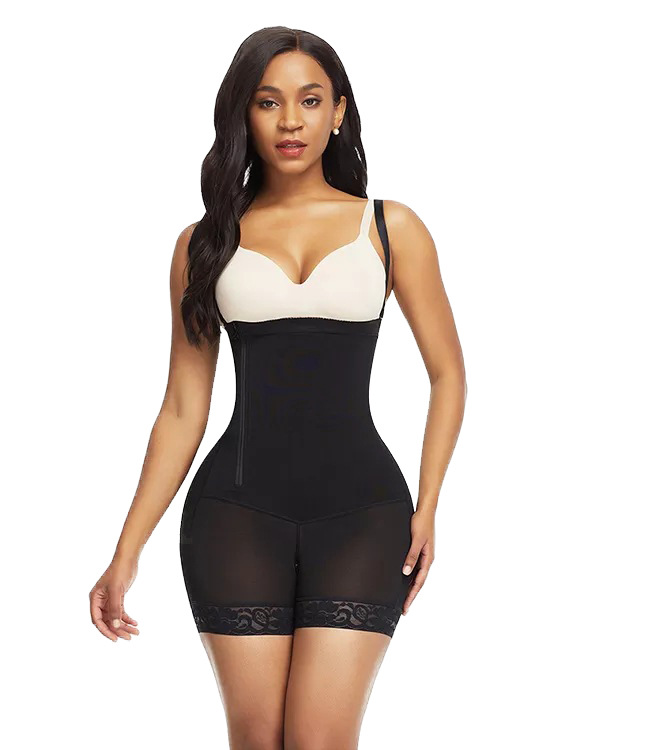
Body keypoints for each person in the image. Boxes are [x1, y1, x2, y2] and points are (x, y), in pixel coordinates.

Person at [90, 26, 466, 749]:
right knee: (258, 740)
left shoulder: (391, 228)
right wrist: (126, 550)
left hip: (364, 516)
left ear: (339, 112)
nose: (290, 120)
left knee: (320, 740)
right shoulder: (204, 243)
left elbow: (448, 374)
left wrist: (429, 504)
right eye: (268, 102)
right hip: (235, 517)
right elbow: (182, 408)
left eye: (310, 100)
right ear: (244, 113)